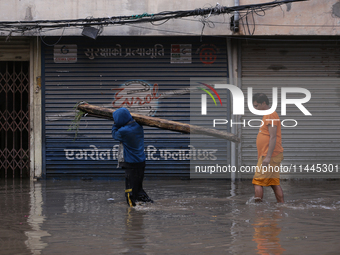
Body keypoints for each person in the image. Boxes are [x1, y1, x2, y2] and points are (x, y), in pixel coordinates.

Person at [112, 107, 153, 207]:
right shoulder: (138, 126)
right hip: (141, 162)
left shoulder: (124, 131)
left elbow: (114, 135)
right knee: (138, 188)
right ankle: (148, 204)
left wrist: (115, 125)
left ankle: (132, 214)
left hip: (131, 164)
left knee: (130, 190)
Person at [252, 93, 284, 203]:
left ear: (264, 103)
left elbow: (273, 137)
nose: (255, 108)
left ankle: (258, 209)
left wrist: (267, 157)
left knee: (257, 182)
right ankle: (281, 206)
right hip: (270, 155)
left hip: (270, 156)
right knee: (274, 183)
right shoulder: (268, 114)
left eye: (256, 106)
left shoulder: (270, 114)